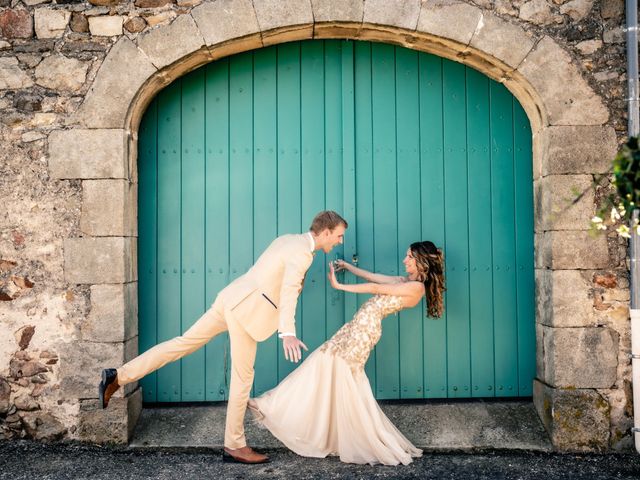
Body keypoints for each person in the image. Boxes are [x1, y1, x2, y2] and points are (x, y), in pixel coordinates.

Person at [98, 211, 348, 464]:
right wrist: (288, 333)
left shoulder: (289, 240)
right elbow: (289, 291)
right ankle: (235, 444)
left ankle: (118, 376)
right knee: (243, 377)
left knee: (182, 343)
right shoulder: (302, 253)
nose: (339, 241)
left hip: (231, 299)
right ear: (326, 232)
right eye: (338, 236)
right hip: (246, 312)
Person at [248, 241, 445, 465]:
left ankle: (271, 407)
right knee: (321, 365)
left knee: (340, 376)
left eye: (409, 257)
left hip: (363, 332)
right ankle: (272, 406)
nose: (405, 260)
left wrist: (339, 286)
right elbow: (373, 278)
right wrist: (348, 267)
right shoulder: (405, 281)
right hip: (355, 328)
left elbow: (376, 289)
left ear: (421, 261)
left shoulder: (416, 288)